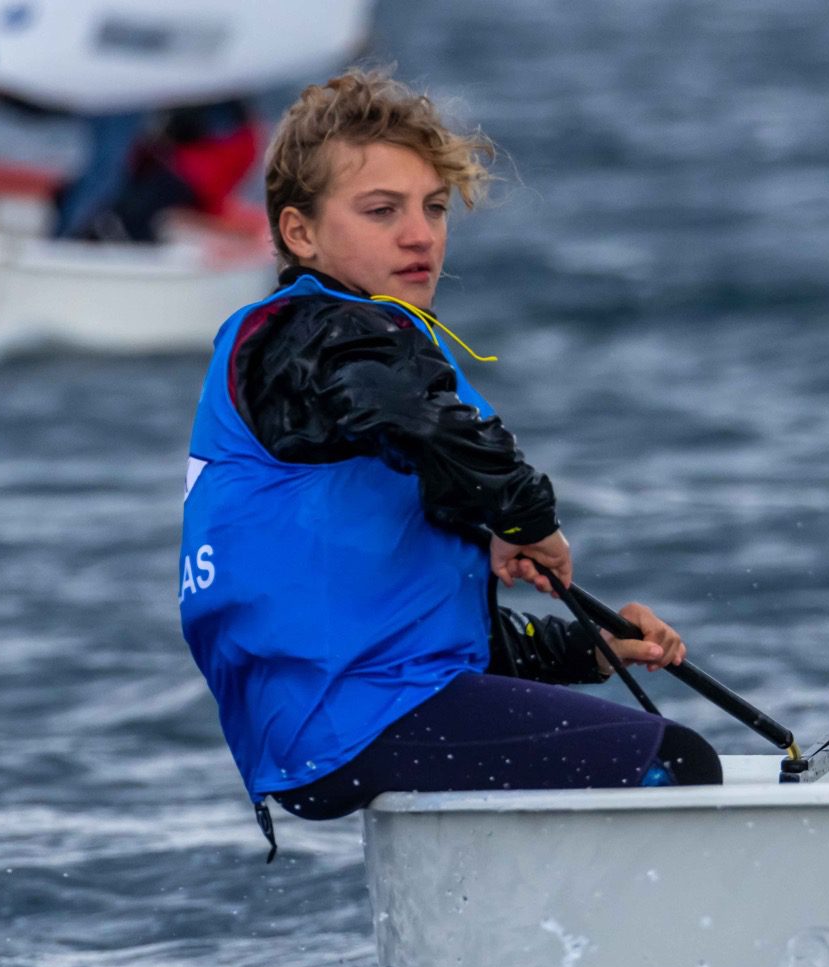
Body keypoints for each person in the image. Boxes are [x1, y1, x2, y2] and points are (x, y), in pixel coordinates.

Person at [177, 70, 721, 859]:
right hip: (352, 719)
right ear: (300, 234)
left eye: (433, 208)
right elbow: (417, 417)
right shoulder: (310, 338)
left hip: (352, 717)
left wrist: (586, 648)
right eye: (381, 211)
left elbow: (421, 627)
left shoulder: (353, 371)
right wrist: (526, 520)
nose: (420, 235)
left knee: (641, 756)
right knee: (675, 763)